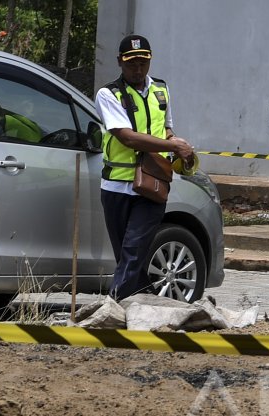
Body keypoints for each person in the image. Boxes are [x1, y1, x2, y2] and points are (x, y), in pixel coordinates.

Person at [93, 35, 195, 300]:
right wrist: (172, 146)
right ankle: (142, 302)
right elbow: (126, 136)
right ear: (120, 62)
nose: (138, 69)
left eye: (143, 62)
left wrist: (176, 143)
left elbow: (166, 127)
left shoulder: (161, 89)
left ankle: (113, 304)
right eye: (132, 63)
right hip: (117, 184)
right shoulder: (108, 94)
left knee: (134, 250)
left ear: (149, 61)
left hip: (153, 183)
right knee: (126, 255)